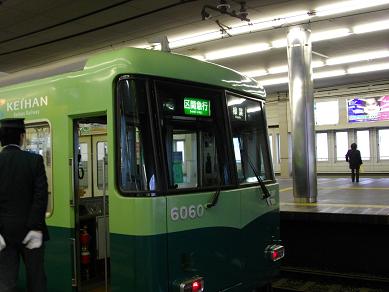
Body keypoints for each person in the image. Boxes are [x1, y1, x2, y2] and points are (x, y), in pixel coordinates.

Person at [0, 118, 49, 292]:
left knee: (6, 283)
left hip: (4, 234)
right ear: (22, 136)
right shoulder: (35, 160)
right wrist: (35, 228)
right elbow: (41, 196)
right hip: (31, 233)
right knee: (36, 282)